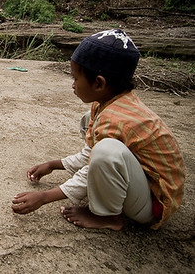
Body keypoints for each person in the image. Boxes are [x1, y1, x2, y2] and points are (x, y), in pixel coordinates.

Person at [11, 29, 185, 231]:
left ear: (99, 83)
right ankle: (110, 198)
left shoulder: (114, 119)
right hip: (142, 182)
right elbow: (90, 155)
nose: (73, 85)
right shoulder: (107, 103)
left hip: (154, 203)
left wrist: (44, 197)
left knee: (107, 151)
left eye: (76, 78)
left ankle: (108, 217)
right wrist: (54, 164)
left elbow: (96, 162)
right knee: (92, 128)